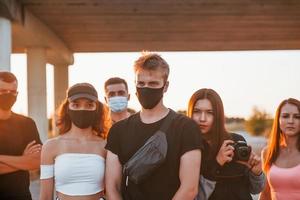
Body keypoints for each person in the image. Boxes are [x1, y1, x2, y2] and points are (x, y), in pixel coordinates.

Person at [105, 53, 203, 200]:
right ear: (135, 84)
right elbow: (112, 186)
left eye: (153, 84)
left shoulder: (186, 127)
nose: (146, 88)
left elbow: (189, 188)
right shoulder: (118, 130)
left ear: (166, 86)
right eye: (141, 83)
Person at [187, 88, 265, 200]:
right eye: (197, 111)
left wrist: (257, 173)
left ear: (218, 115)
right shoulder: (187, 146)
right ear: (190, 112)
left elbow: (256, 189)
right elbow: (192, 194)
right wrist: (217, 163)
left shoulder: (236, 141)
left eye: (210, 113)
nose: (202, 118)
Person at [40, 83, 110, 200]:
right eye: (76, 105)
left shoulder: (105, 146)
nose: (82, 109)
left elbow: (112, 189)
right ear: (68, 108)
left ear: (97, 109)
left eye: (89, 105)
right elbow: (45, 196)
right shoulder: (51, 146)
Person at [0, 71, 42, 200]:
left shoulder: (27, 124)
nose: (8, 95)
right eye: (3, 91)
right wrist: (23, 160)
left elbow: (36, 162)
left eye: (12, 92)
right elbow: (29, 162)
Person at [259, 98, 300, 200]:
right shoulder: (268, 152)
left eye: (297, 117)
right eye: (285, 116)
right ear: (278, 119)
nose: (291, 121)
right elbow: (265, 194)